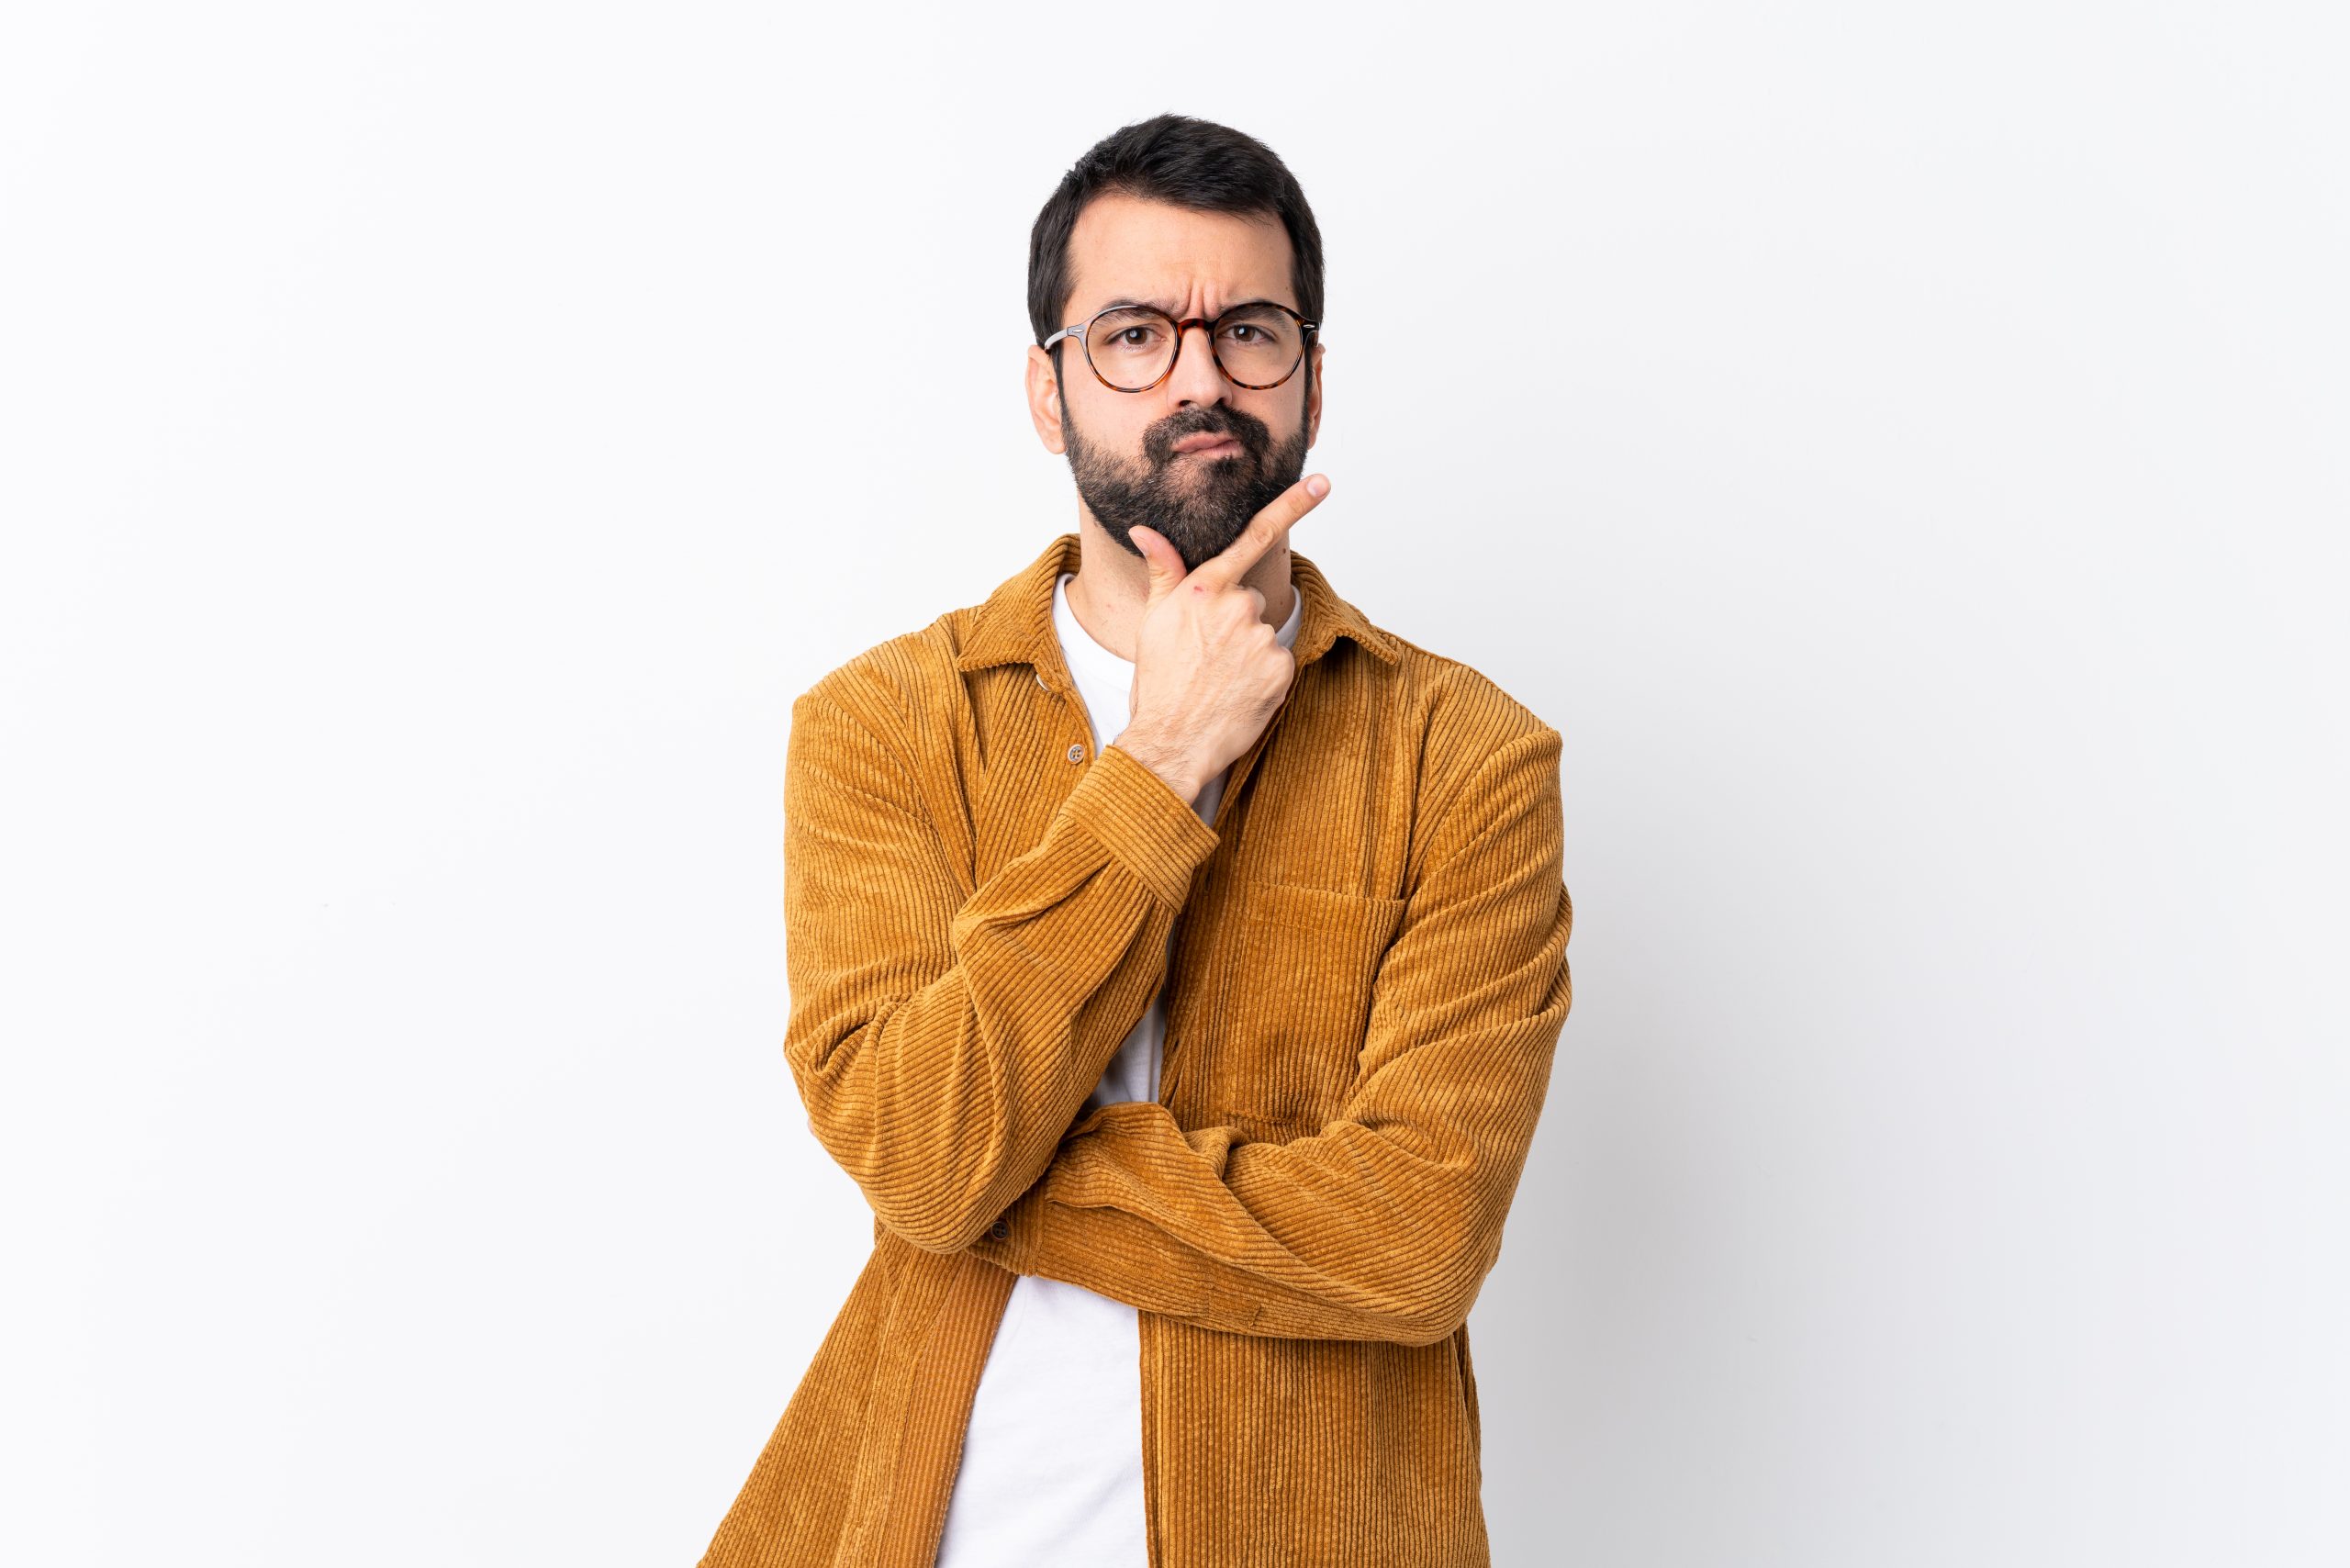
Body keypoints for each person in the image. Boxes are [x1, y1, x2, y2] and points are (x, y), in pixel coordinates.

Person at [698, 114, 1573, 1568]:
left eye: (1249, 329)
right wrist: (1162, 763)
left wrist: (991, 1173)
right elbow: (919, 1154)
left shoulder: (1468, 759)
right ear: (1048, 389)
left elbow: (1420, 1242)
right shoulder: (882, 727)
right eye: (1131, 336)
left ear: (1310, 375)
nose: (1199, 378)